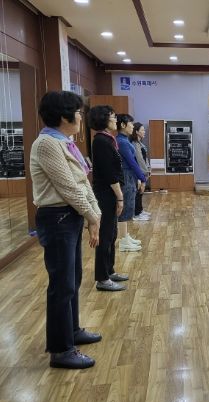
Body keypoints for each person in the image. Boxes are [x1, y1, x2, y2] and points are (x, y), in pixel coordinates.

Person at [30, 91, 102, 369]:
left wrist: (94, 215)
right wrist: (92, 216)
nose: (81, 117)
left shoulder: (65, 143)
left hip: (70, 216)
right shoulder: (47, 144)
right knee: (62, 285)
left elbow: (83, 182)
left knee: (73, 279)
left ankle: (72, 331)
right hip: (57, 217)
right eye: (78, 112)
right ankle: (61, 350)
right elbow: (69, 188)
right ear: (64, 116)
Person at [88, 105, 128, 292]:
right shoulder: (101, 142)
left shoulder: (107, 139)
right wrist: (120, 197)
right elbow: (110, 174)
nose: (115, 120)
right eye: (113, 116)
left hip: (110, 193)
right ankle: (102, 278)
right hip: (106, 195)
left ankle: (109, 270)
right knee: (105, 235)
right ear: (103, 119)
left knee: (111, 234)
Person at [116, 114, 147, 251]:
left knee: (128, 207)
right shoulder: (122, 142)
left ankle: (125, 236)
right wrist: (142, 178)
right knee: (125, 209)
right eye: (130, 124)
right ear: (123, 125)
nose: (133, 126)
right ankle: (123, 240)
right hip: (126, 176)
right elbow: (132, 162)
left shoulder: (124, 140)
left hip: (129, 175)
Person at [129, 122, 151, 221]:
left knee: (141, 192)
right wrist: (145, 172)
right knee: (138, 192)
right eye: (142, 130)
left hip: (143, 171)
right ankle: (137, 213)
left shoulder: (139, 143)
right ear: (137, 132)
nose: (144, 132)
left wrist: (148, 169)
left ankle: (140, 210)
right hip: (139, 172)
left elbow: (145, 158)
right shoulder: (134, 143)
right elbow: (139, 159)